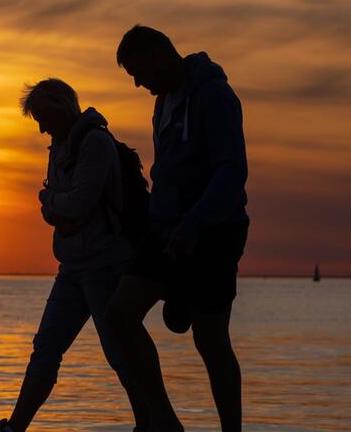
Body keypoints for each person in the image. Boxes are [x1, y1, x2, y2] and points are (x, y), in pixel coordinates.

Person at [0, 78, 148, 432]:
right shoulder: (60, 146)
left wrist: (49, 203)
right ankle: (15, 428)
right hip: (73, 266)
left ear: (62, 108)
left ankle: (149, 424)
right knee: (46, 347)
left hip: (105, 264)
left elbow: (77, 202)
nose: (42, 127)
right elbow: (63, 209)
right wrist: (57, 208)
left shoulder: (94, 143)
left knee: (119, 352)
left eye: (44, 118)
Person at [105, 25, 249, 432]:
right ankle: (163, 420)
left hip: (215, 232)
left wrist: (194, 224)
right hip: (164, 231)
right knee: (120, 313)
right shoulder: (164, 101)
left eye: (138, 72)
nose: (137, 83)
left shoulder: (214, 96)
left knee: (211, 340)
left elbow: (231, 171)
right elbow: (168, 172)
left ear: (159, 56)